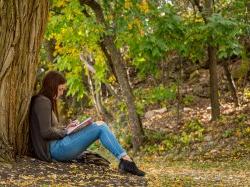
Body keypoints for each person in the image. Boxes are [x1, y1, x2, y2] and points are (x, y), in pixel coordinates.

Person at [29, 71, 145, 176]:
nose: (62, 93)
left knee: (100, 125)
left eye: (63, 90)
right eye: (60, 89)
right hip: (56, 150)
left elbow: (50, 129)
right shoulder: (42, 101)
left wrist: (68, 128)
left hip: (58, 147)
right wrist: (65, 132)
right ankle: (126, 161)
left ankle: (125, 160)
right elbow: (46, 132)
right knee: (101, 127)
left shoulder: (44, 101)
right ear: (51, 87)